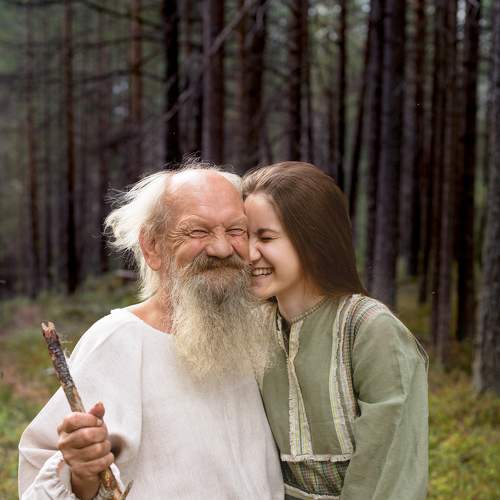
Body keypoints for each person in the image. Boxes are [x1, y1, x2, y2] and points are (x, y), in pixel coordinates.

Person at [18, 164, 284, 500]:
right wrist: (81, 471)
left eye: (235, 230)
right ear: (152, 247)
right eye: (197, 231)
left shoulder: (256, 335)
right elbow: (48, 477)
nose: (221, 248)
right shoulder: (120, 341)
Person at [242, 161, 428, 500]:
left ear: (312, 240)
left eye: (266, 237)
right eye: (244, 236)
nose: (249, 253)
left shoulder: (370, 329)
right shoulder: (253, 331)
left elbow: (389, 467)